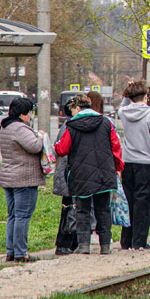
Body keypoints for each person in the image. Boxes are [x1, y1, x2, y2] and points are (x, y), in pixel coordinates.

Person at [53, 93, 122, 254]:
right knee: (103, 210)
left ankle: (83, 245)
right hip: (104, 174)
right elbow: (116, 147)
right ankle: (105, 246)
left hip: (80, 175)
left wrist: (56, 145)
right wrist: (118, 168)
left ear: (77, 107)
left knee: (82, 210)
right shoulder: (106, 122)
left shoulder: (72, 125)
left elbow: (62, 149)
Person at [117, 79, 150, 250]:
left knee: (128, 200)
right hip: (146, 163)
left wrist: (127, 90)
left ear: (130, 97)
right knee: (143, 202)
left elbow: (121, 108)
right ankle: (139, 241)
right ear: (146, 96)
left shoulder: (124, 113)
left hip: (128, 162)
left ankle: (126, 241)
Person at [0, 97, 45, 263]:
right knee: (22, 216)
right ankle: (21, 252)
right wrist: (42, 137)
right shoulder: (20, 128)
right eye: (30, 112)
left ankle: (11, 251)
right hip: (24, 179)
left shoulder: (5, 127)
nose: (31, 116)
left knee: (13, 216)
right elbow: (35, 146)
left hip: (9, 176)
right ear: (24, 113)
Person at [52, 96, 79, 256]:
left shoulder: (68, 125)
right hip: (68, 174)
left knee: (70, 208)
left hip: (68, 173)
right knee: (70, 209)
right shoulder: (70, 126)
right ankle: (64, 243)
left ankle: (69, 242)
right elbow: (61, 148)